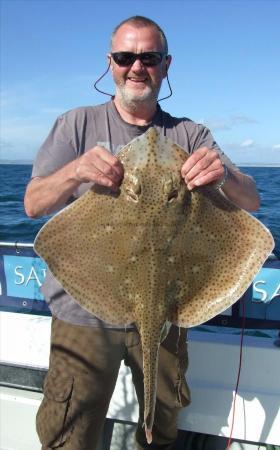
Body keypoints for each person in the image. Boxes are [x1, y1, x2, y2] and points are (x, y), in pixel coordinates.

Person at [24, 15, 260, 450]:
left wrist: (222, 172)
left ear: (166, 65)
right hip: (83, 313)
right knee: (69, 431)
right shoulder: (75, 124)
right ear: (110, 63)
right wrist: (75, 171)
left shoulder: (191, 133)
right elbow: (34, 205)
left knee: (161, 422)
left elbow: (252, 203)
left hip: (170, 308)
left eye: (148, 57)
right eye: (125, 56)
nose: (136, 66)